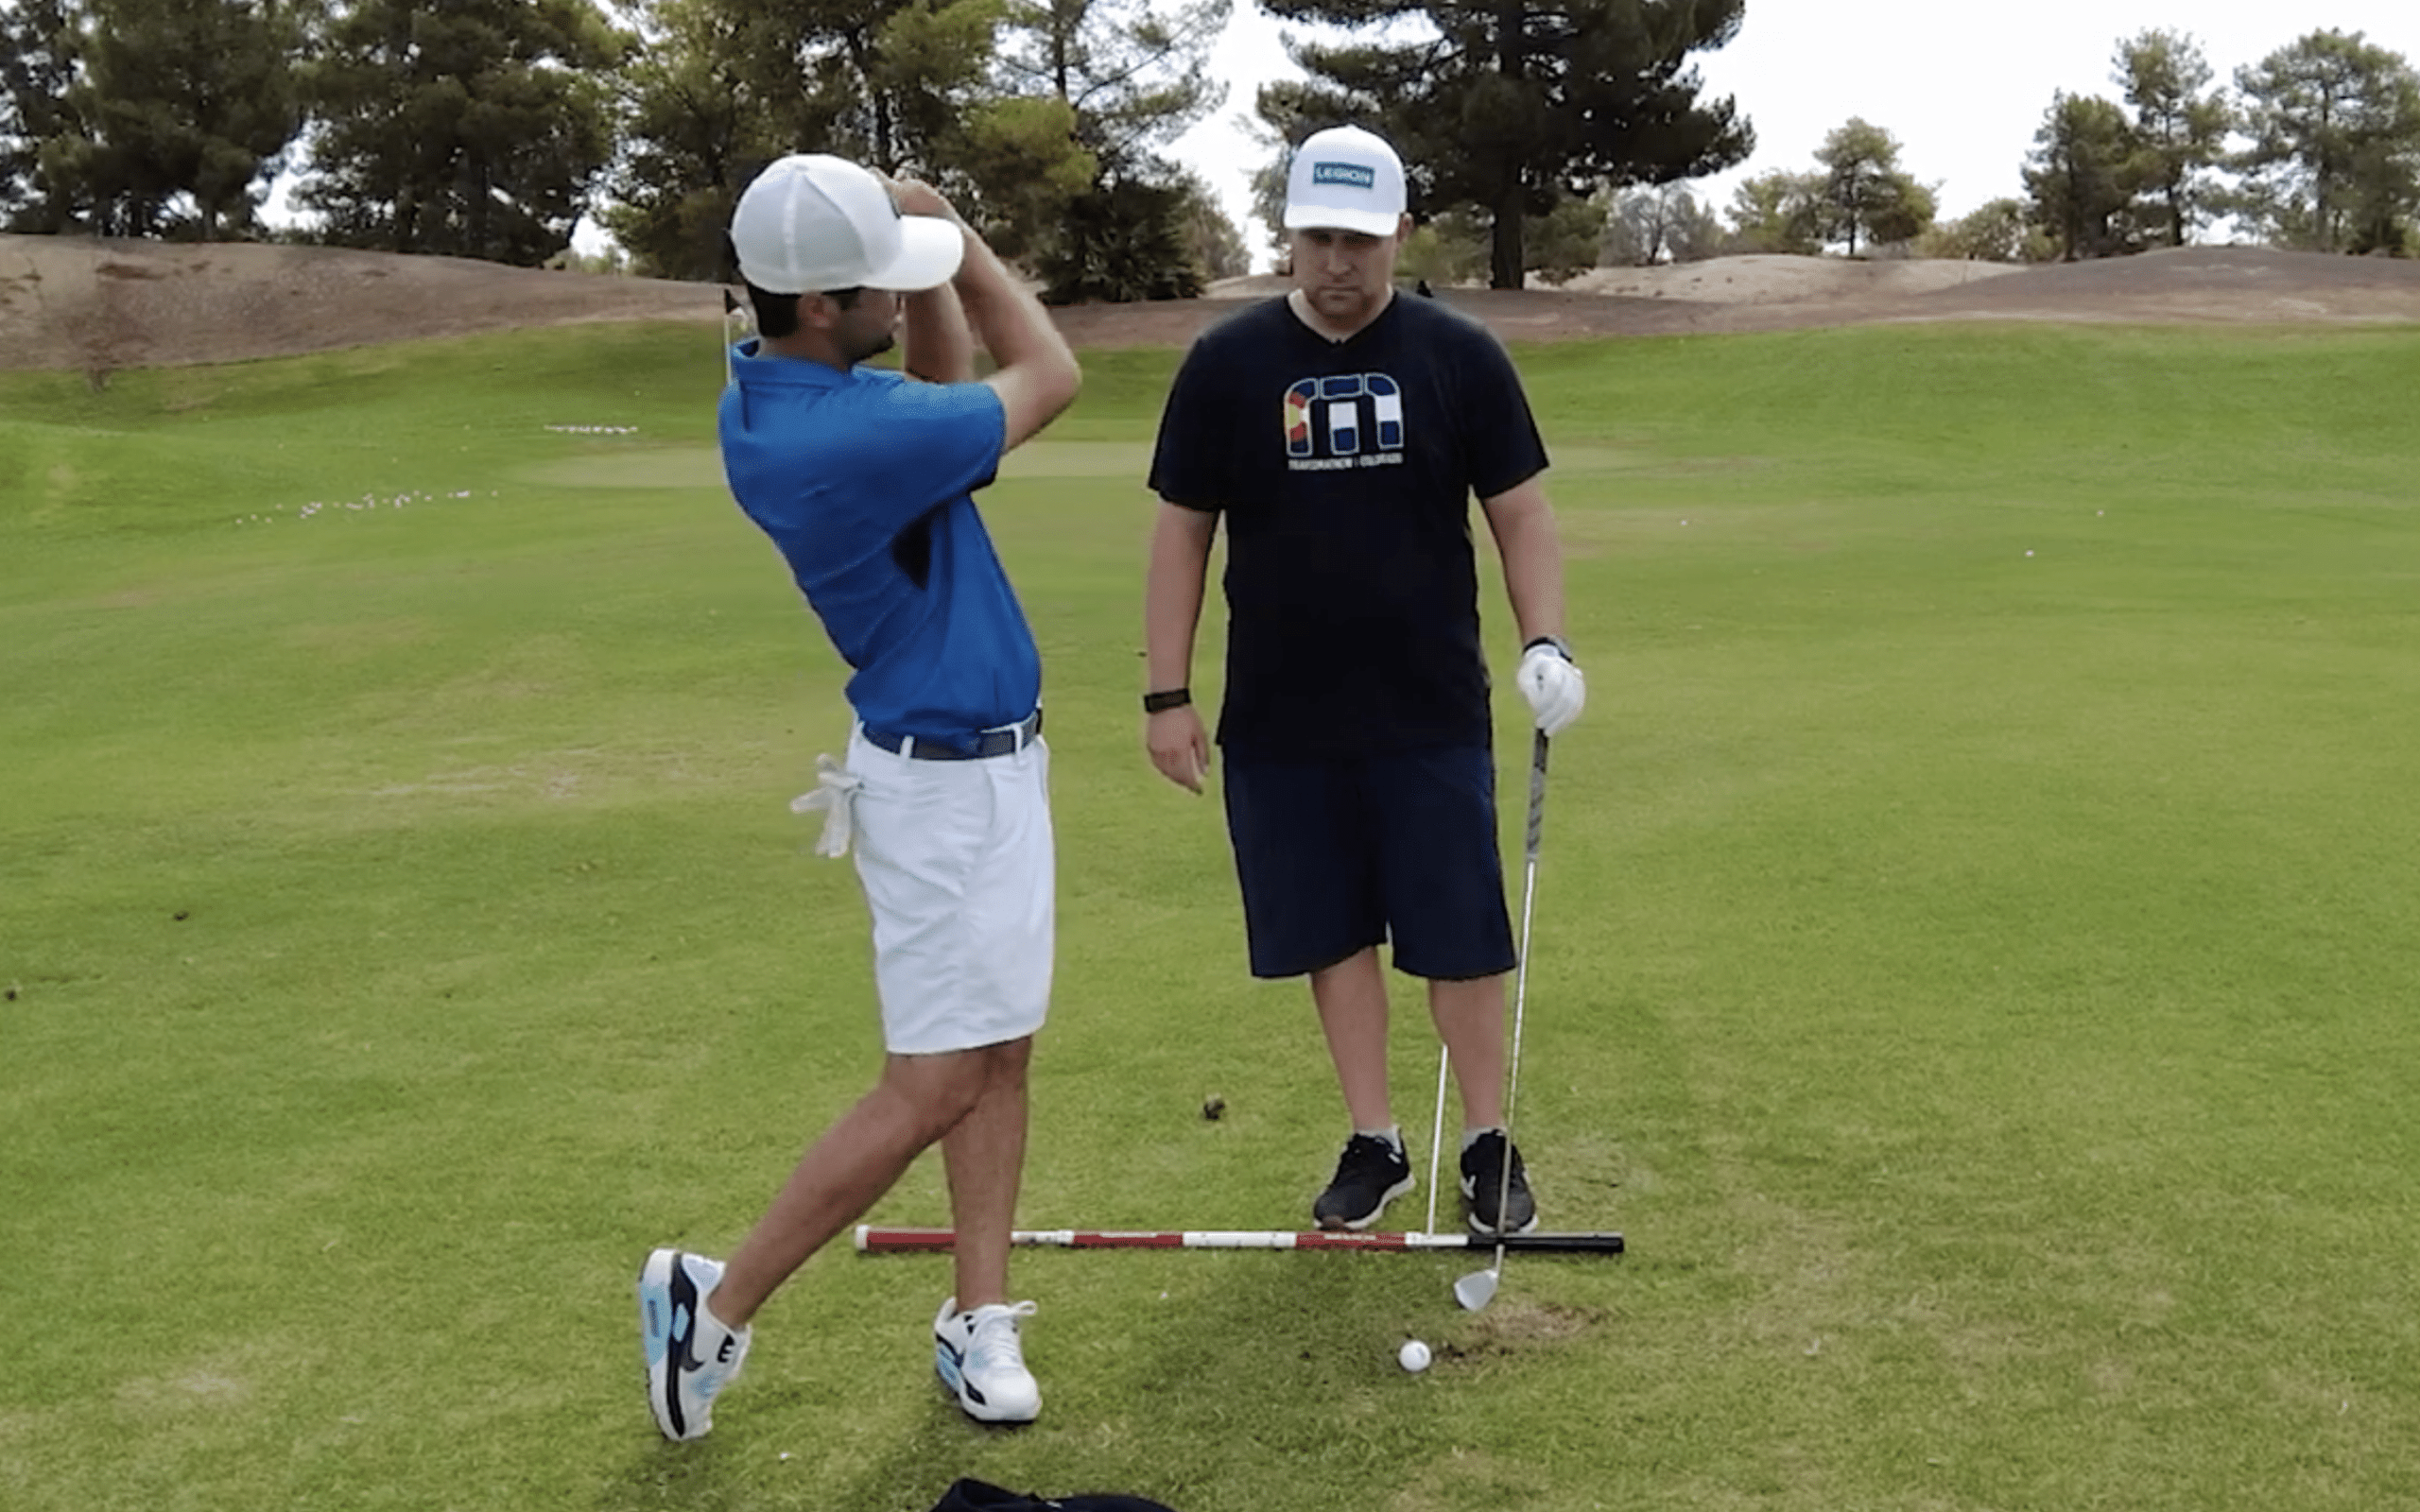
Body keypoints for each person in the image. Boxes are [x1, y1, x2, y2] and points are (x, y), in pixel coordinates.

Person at [637, 152, 1081, 1441]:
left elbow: (940, 405)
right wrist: (965, 239)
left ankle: (975, 1317)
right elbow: (1047, 377)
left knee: (1000, 1050)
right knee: (932, 1084)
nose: (900, 297)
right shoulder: (849, 434)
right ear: (822, 306)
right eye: (880, 285)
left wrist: (918, 259)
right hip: (943, 797)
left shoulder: (776, 392)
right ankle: (713, 1308)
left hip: (985, 768)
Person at [1141, 125, 1586, 1237]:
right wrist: (1166, 693)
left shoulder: (1456, 354)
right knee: (1330, 932)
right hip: (1282, 716)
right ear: (1288, 237)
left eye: (1360, 239)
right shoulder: (1228, 364)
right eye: (1317, 238)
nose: (1337, 262)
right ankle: (1375, 1138)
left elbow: (1520, 511)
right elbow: (1181, 534)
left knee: (1457, 932)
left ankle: (1485, 1140)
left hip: (1427, 704)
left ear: (1399, 233)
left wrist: (1546, 641)